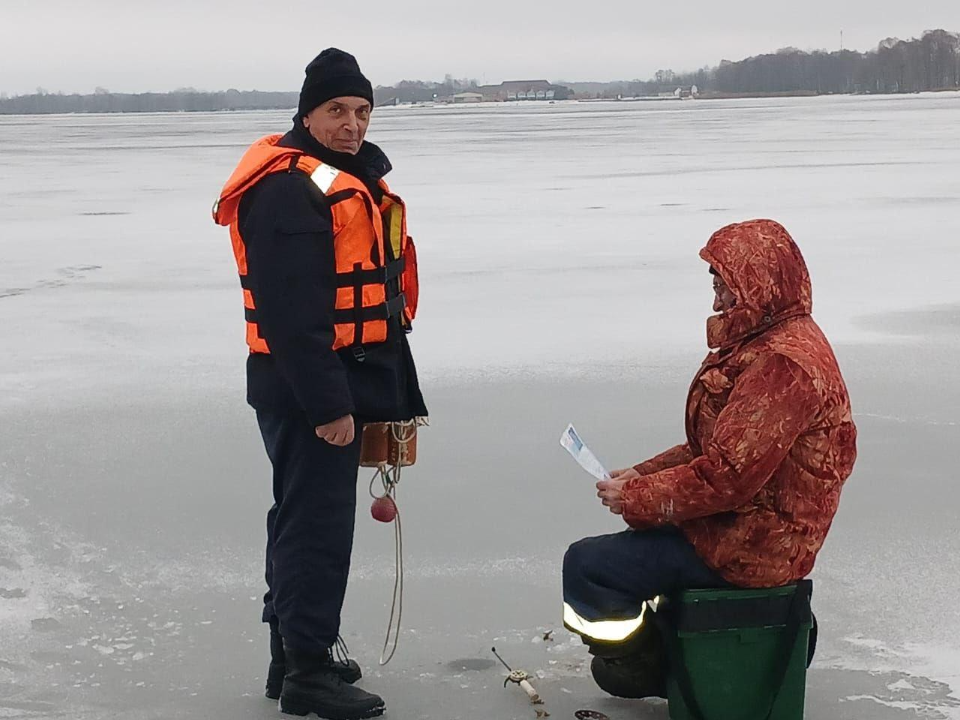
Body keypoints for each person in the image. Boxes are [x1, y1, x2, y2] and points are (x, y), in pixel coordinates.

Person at [213, 48, 427, 719]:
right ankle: (309, 669)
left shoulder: (338, 179)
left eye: (362, 111)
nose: (352, 123)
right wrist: (330, 405)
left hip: (336, 378)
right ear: (307, 113)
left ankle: (292, 653)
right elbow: (291, 314)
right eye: (337, 110)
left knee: (300, 518)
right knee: (317, 528)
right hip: (308, 386)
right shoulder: (286, 190)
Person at [562, 219, 856, 698]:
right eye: (716, 285)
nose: (717, 299)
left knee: (589, 567)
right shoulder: (768, 340)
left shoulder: (782, 364)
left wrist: (637, 498)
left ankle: (654, 669)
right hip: (747, 525)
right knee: (628, 551)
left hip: (754, 544)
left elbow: (728, 476)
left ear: (755, 287)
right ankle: (694, 645)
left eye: (724, 286)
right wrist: (646, 473)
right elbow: (719, 448)